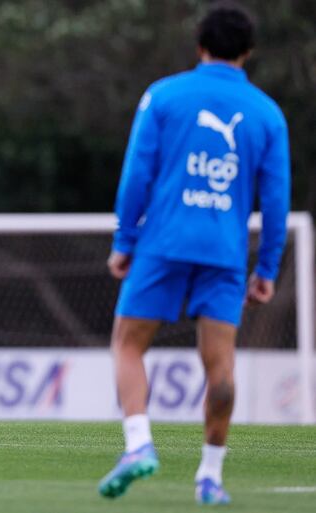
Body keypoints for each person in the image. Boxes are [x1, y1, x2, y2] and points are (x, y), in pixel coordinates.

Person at [98, 2, 289, 505]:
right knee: (220, 363)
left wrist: (124, 242)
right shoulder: (268, 114)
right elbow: (276, 200)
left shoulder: (163, 96)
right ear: (248, 51)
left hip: (163, 243)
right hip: (225, 253)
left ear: (199, 45)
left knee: (128, 343)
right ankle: (210, 476)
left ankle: (139, 445)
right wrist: (266, 267)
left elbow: (137, 173)